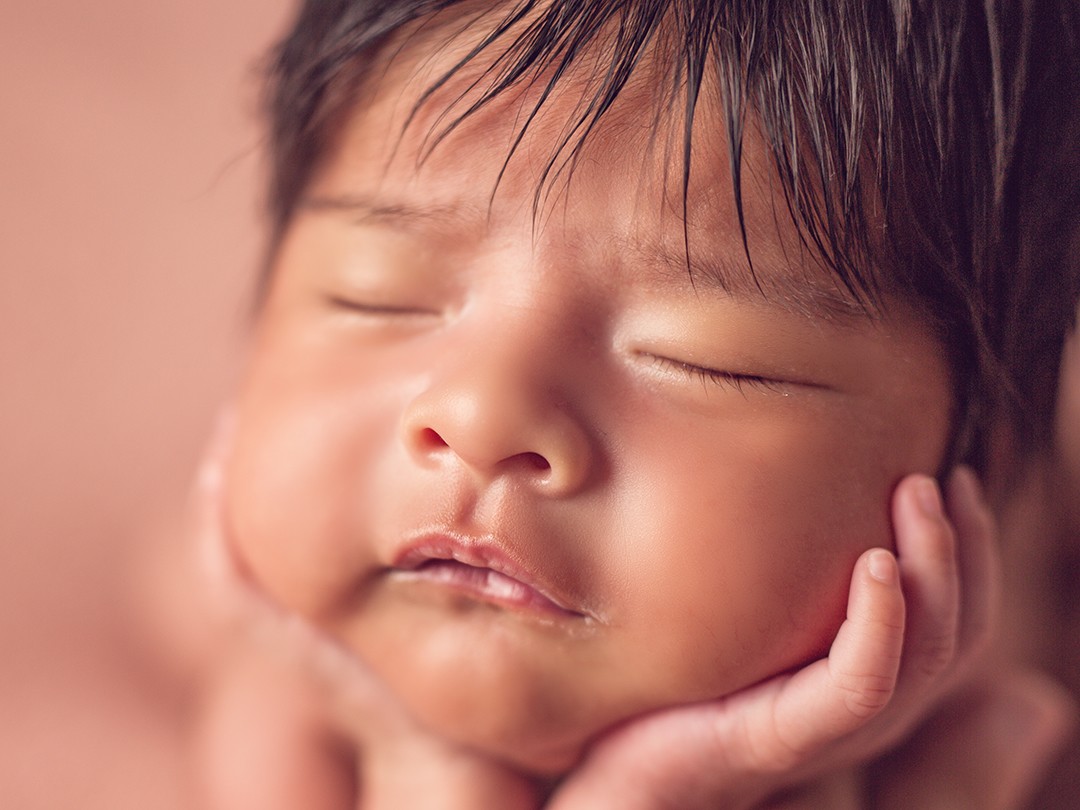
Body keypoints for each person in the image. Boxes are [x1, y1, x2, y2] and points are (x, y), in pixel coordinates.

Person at [167, 0, 1079, 806]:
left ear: (973, 475)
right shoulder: (274, 705)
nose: (482, 416)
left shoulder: (986, 749)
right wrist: (420, 765)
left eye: (704, 359)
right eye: (377, 296)